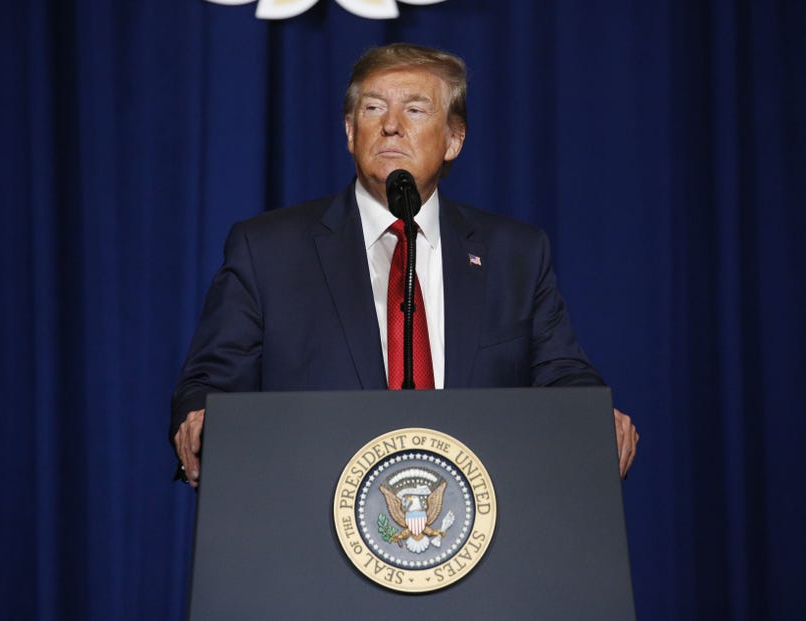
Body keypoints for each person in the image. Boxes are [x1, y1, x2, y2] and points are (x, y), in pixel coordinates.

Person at [171, 43, 638, 487]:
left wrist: (593, 413)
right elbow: (210, 382)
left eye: (415, 110)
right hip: (309, 521)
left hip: (481, 527)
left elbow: (562, 373)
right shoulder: (268, 249)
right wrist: (203, 421)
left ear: (454, 139)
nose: (391, 125)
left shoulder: (515, 253)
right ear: (351, 132)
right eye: (373, 108)